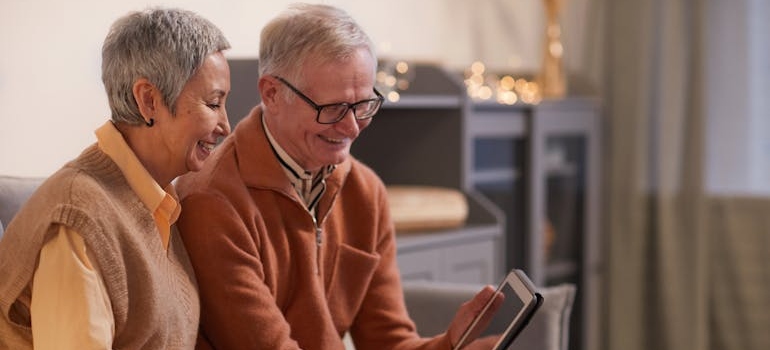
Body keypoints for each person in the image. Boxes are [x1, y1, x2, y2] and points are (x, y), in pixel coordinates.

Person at [175, 3, 496, 350]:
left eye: (363, 105)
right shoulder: (212, 202)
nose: (352, 127)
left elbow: (387, 341)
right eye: (333, 109)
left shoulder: (366, 191)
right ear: (271, 93)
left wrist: (448, 345)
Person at [0, 7, 231, 349]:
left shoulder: (158, 202)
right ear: (149, 100)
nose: (226, 125)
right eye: (213, 104)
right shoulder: (79, 217)